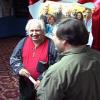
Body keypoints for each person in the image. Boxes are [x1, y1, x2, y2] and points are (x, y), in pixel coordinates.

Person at [37, 18, 100, 100]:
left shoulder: (57, 71)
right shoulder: (97, 55)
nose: (52, 38)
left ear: (64, 40)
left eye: (53, 35)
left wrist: (42, 89)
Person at [10, 19, 58, 100]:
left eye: (37, 30)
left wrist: (42, 79)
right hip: (26, 82)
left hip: (45, 83)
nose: (34, 33)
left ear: (43, 31)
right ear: (28, 31)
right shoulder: (23, 41)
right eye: (31, 30)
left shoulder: (51, 44)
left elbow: (56, 66)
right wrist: (19, 69)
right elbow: (14, 58)